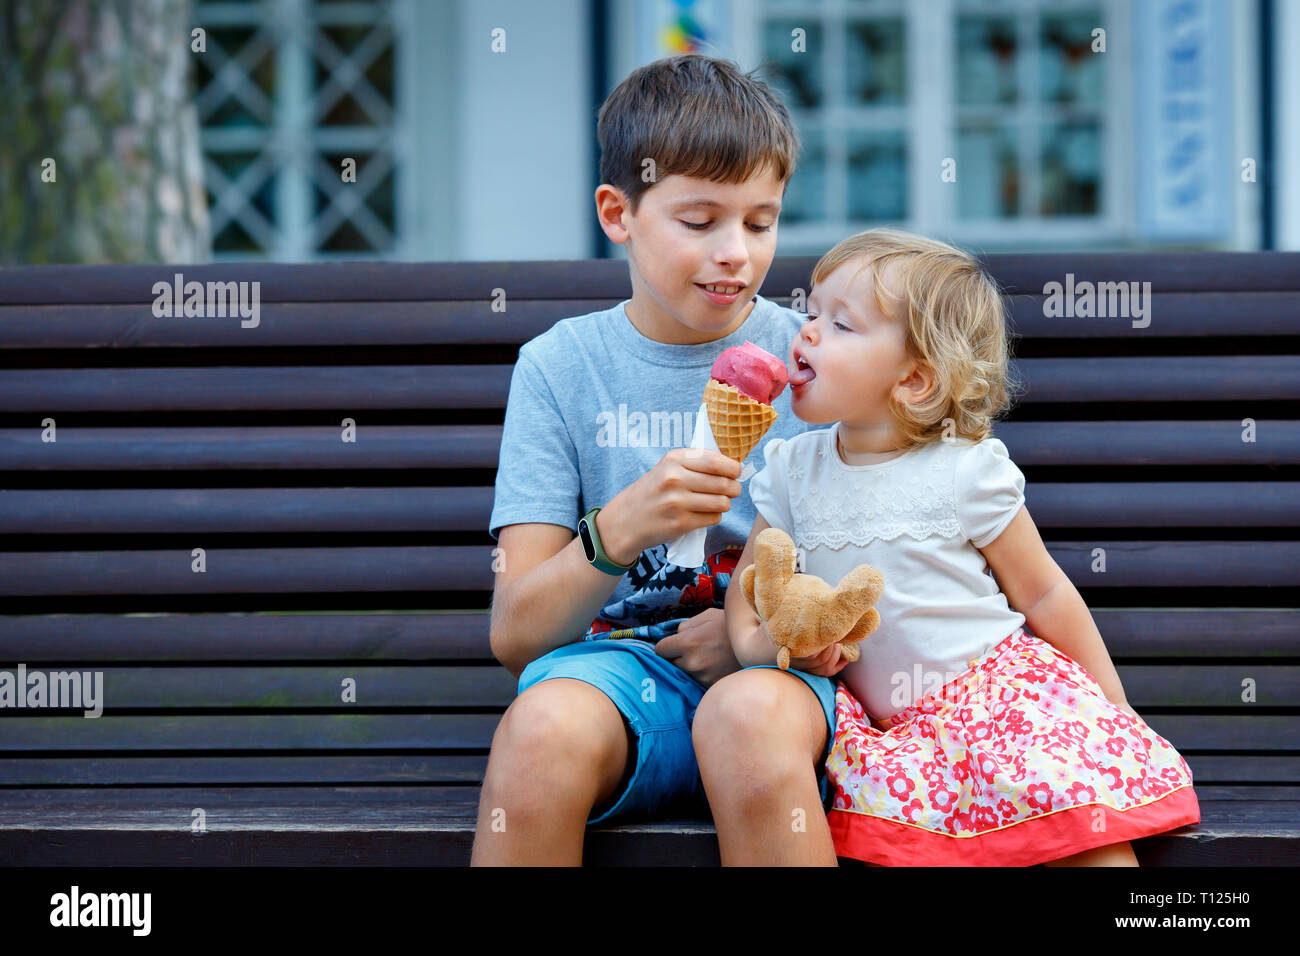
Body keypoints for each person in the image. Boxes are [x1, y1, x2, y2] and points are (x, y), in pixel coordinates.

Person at [694, 227, 1201, 866]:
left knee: (1075, 829)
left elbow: (1042, 589)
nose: (807, 333)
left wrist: (1113, 708)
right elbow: (752, 593)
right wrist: (774, 647)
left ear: (915, 380)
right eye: (812, 312)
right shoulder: (792, 469)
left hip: (996, 704)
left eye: (842, 326)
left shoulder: (965, 472)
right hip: (886, 731)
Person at [471, 53, 838, 865]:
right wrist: (618, 529)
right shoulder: (559, 369)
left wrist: (751, 635)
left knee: (744, 720)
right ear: (618, 212)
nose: (736, 254)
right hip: (616, 681)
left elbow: (871, 567)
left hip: (778, 692)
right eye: (700, 222)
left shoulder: (815, 361)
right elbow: (516, 634)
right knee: (538, 732)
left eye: (761, 220)